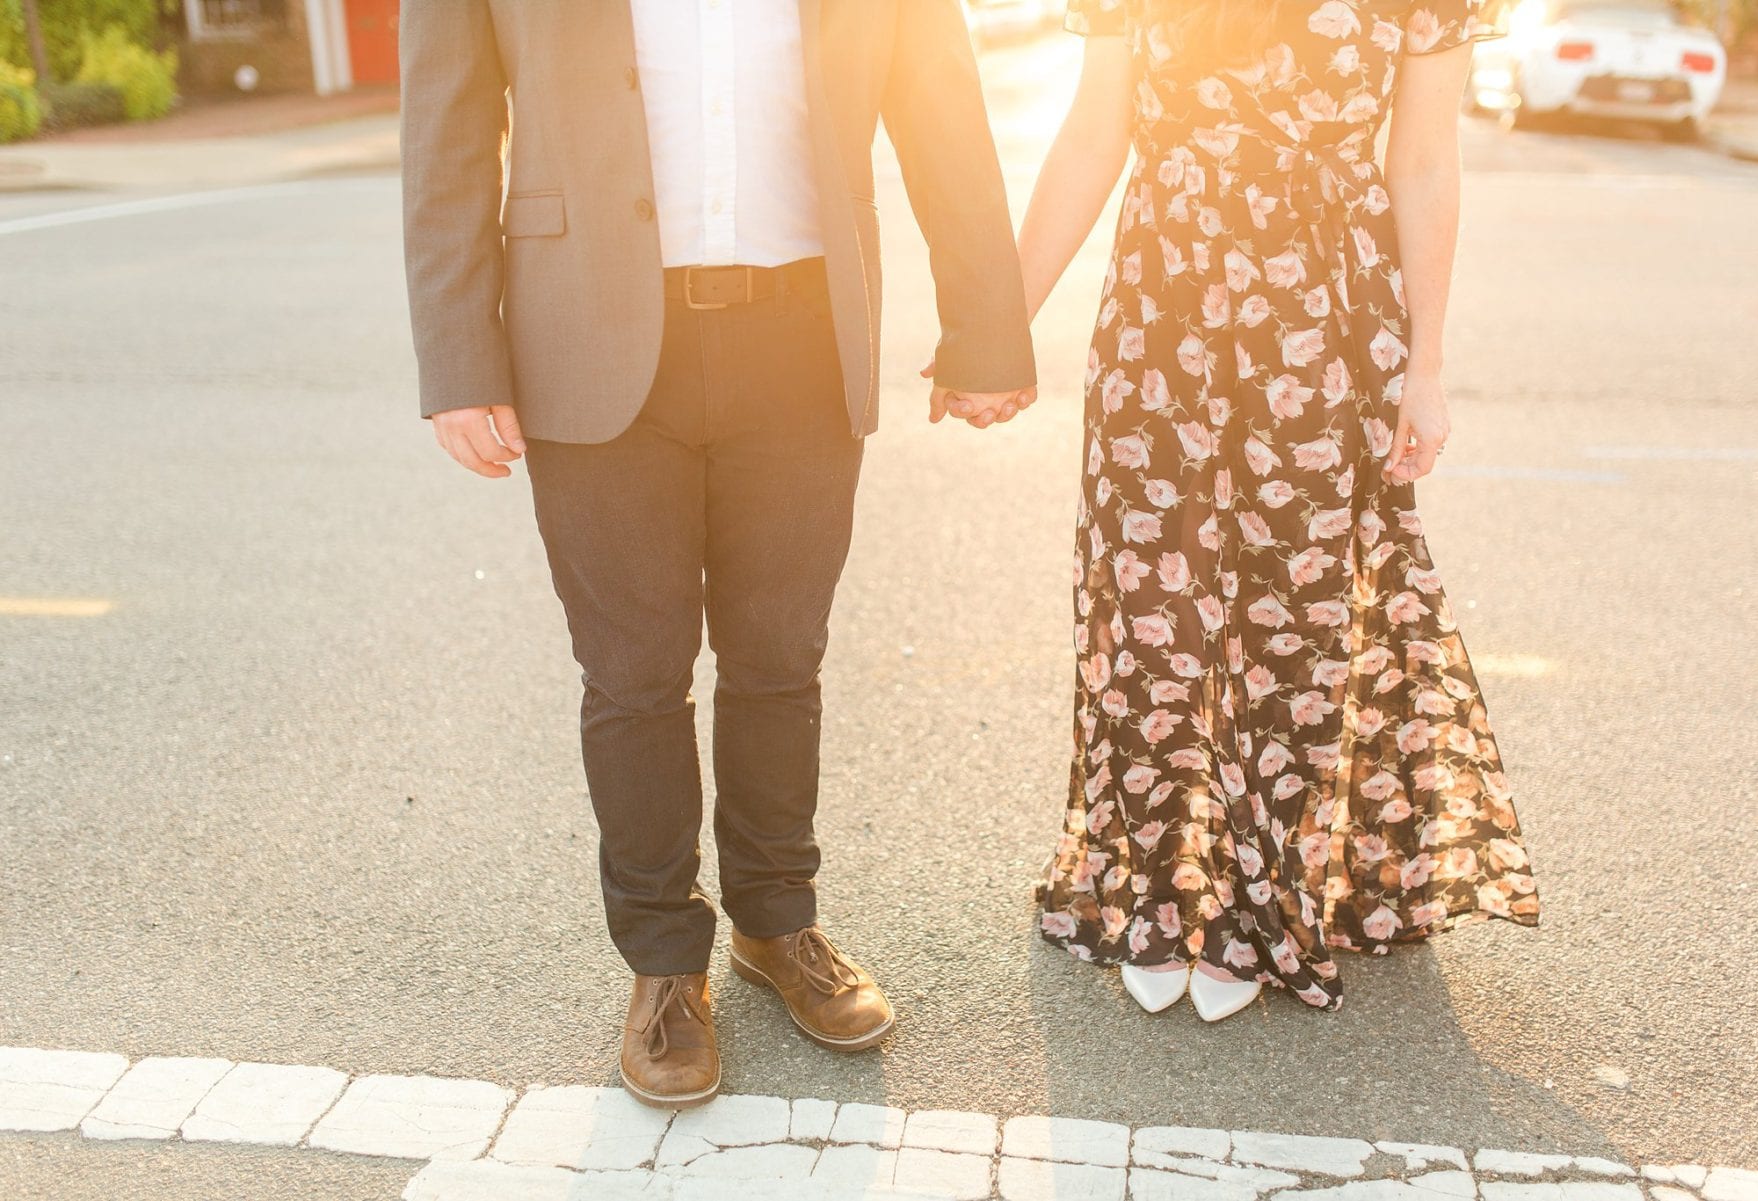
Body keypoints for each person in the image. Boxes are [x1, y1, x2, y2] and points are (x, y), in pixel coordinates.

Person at [398, 0, 1036, 1108]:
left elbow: (940, 99)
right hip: (586, 336)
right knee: (634, 672)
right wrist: (459, 357)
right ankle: (661, 964)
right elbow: (445, 129)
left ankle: (777, 922)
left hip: (800, 331)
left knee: (779, 654)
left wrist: (985, 322)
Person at [1023, 0, 1539, 1020]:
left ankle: (1265, 905)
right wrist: (996, 327)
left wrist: (1423, 368)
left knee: (1292, 612)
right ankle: (1164, 892)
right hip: (1162, 303)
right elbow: (1093, 133)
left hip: (1327, 314)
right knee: (1149, 602)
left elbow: (1425, 162)